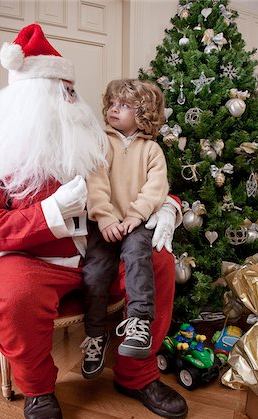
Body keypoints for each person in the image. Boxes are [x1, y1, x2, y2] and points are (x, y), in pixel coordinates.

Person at [0, 23, 188, 419]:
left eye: (72, 92)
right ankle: (38, 391)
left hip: (100, 248)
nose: (74, 102)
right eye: (64, 93)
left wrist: (169, 206)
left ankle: (137, 374)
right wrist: (48, 213)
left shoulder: (93, 137)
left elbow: (136, 178)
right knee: (14, 294)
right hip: (34, 259)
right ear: (30, 103)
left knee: (159, 261)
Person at [80, 79, 169, 379]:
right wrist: (104, 218)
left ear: (143, 114)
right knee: (94, 272)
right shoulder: (100, 142)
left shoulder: (152, 150)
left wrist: (136, 216)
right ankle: (96, 336)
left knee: (138, 259)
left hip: (136, 223)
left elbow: (156, 188)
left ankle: (138, 324)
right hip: (105, 224)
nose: (114, 109)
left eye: (124, 105)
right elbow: (96, 182)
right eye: (112, 104)